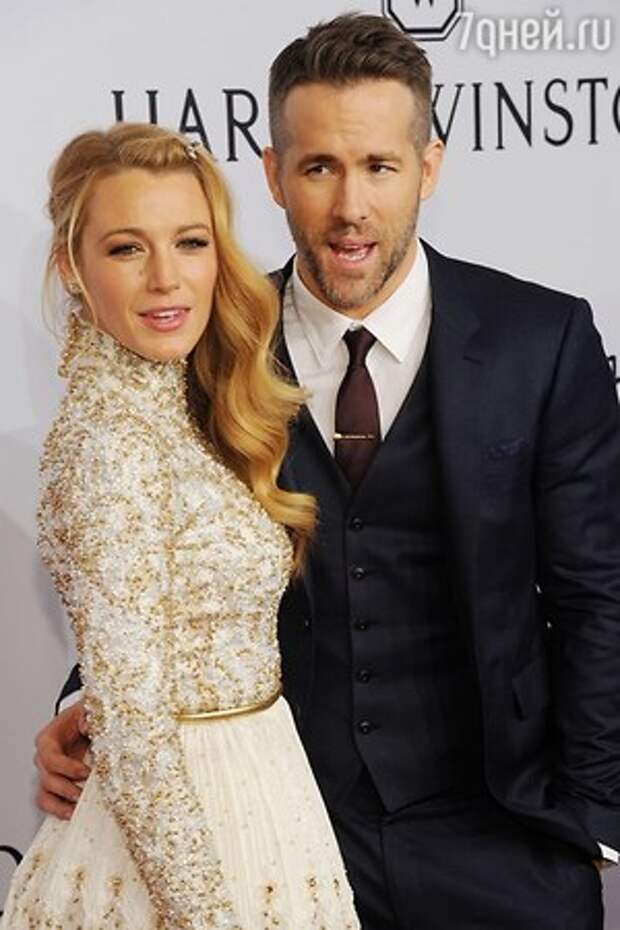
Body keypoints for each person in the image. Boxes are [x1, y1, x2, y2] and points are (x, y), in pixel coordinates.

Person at [33, 13, 620, 930]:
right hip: (282, 837)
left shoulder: (539, 340)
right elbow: (146, 562)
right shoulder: (200, 345)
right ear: (273, 174)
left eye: (380, 166)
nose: (351, 208)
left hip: (502, 838)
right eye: (318, 168)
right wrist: (88, 706)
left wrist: (592, 820)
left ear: (428, 167)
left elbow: (597, 593)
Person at [2, 122, 359, 930]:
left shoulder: (187, 406)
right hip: (181, 840)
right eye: (127, 248)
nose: (167, 278)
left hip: (261, 793)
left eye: (191, 242)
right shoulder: (109, 444)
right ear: (72, 267)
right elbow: (133, 731)